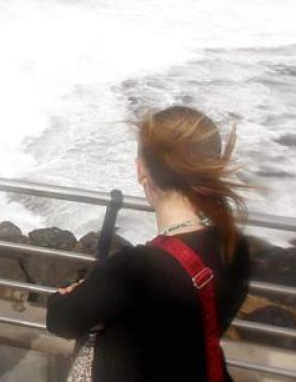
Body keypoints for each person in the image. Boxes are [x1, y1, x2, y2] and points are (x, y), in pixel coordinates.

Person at [47, 106, 252, 382]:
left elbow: (61, 320)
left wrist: (71, 295)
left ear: (141, 170)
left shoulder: (137, 267)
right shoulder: (234, 248)